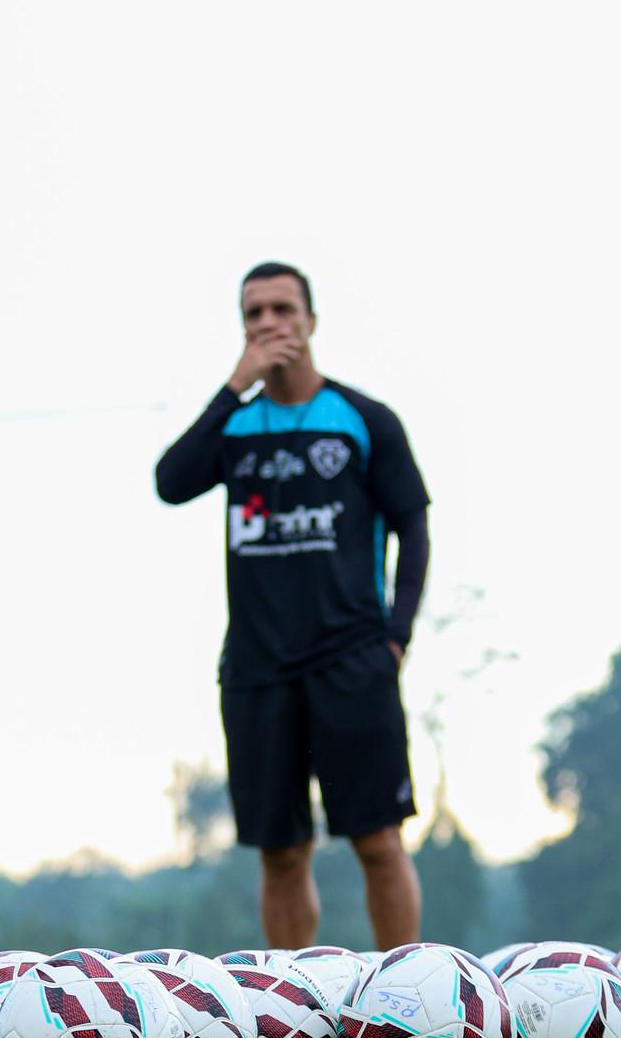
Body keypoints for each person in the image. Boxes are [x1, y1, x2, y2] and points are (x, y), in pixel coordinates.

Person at [155, 262, 431, 949]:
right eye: (254, 313)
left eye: (282, 309)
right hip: (257, 667)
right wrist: (232, 387)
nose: (269, 323)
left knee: (377, 841)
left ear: (311, 320)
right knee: (280, 852)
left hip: (353, 660)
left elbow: (414, 526)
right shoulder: (236, 427)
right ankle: (292, 1012)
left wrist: (396, 635)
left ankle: (410, 1001)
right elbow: (171, 480)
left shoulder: (363, 421)